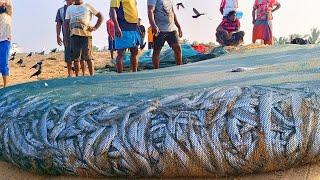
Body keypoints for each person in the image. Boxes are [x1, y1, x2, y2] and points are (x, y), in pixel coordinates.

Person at [65, 0, 103, 76]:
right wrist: (66, 36)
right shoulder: (69, 8)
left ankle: (92, 76)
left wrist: (95, 27)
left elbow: (100, 16)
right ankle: (77, 77)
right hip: (74, 35)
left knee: (89, 57)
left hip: (86, 35)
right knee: (76, 58)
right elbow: (66, 23)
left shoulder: (88, 6)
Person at [148, 0, 183, 69]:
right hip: (159, 29)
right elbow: (150, 11)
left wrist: (178, 26)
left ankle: (179, 68)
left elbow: (172, 12)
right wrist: (153, 25)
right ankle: (156, 70)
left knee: (177, 48)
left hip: (171, 29)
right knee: (157, 50)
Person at [110, 0, 141, 73]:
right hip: (123, 26)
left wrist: (137, 27)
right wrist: (117, 27)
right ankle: (120, 74)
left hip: (133, 27)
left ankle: (134, 72)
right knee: (121, 52)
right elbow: (112, 10)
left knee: (135, 51)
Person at [56, 0, 74, 77]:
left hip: (78, 34)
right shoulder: (61, 10)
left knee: (79, 55)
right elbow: (58, 23)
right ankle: (70, 73)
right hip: (66, 36)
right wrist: (58, 35)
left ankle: (78, 73)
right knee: (68, 54)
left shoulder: (78, 7)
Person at [0, 0, 12, 87]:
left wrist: (3, 2)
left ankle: (5, 86)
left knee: (4, 64)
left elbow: (8, 3)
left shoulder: (8, 13)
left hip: (5, 41)